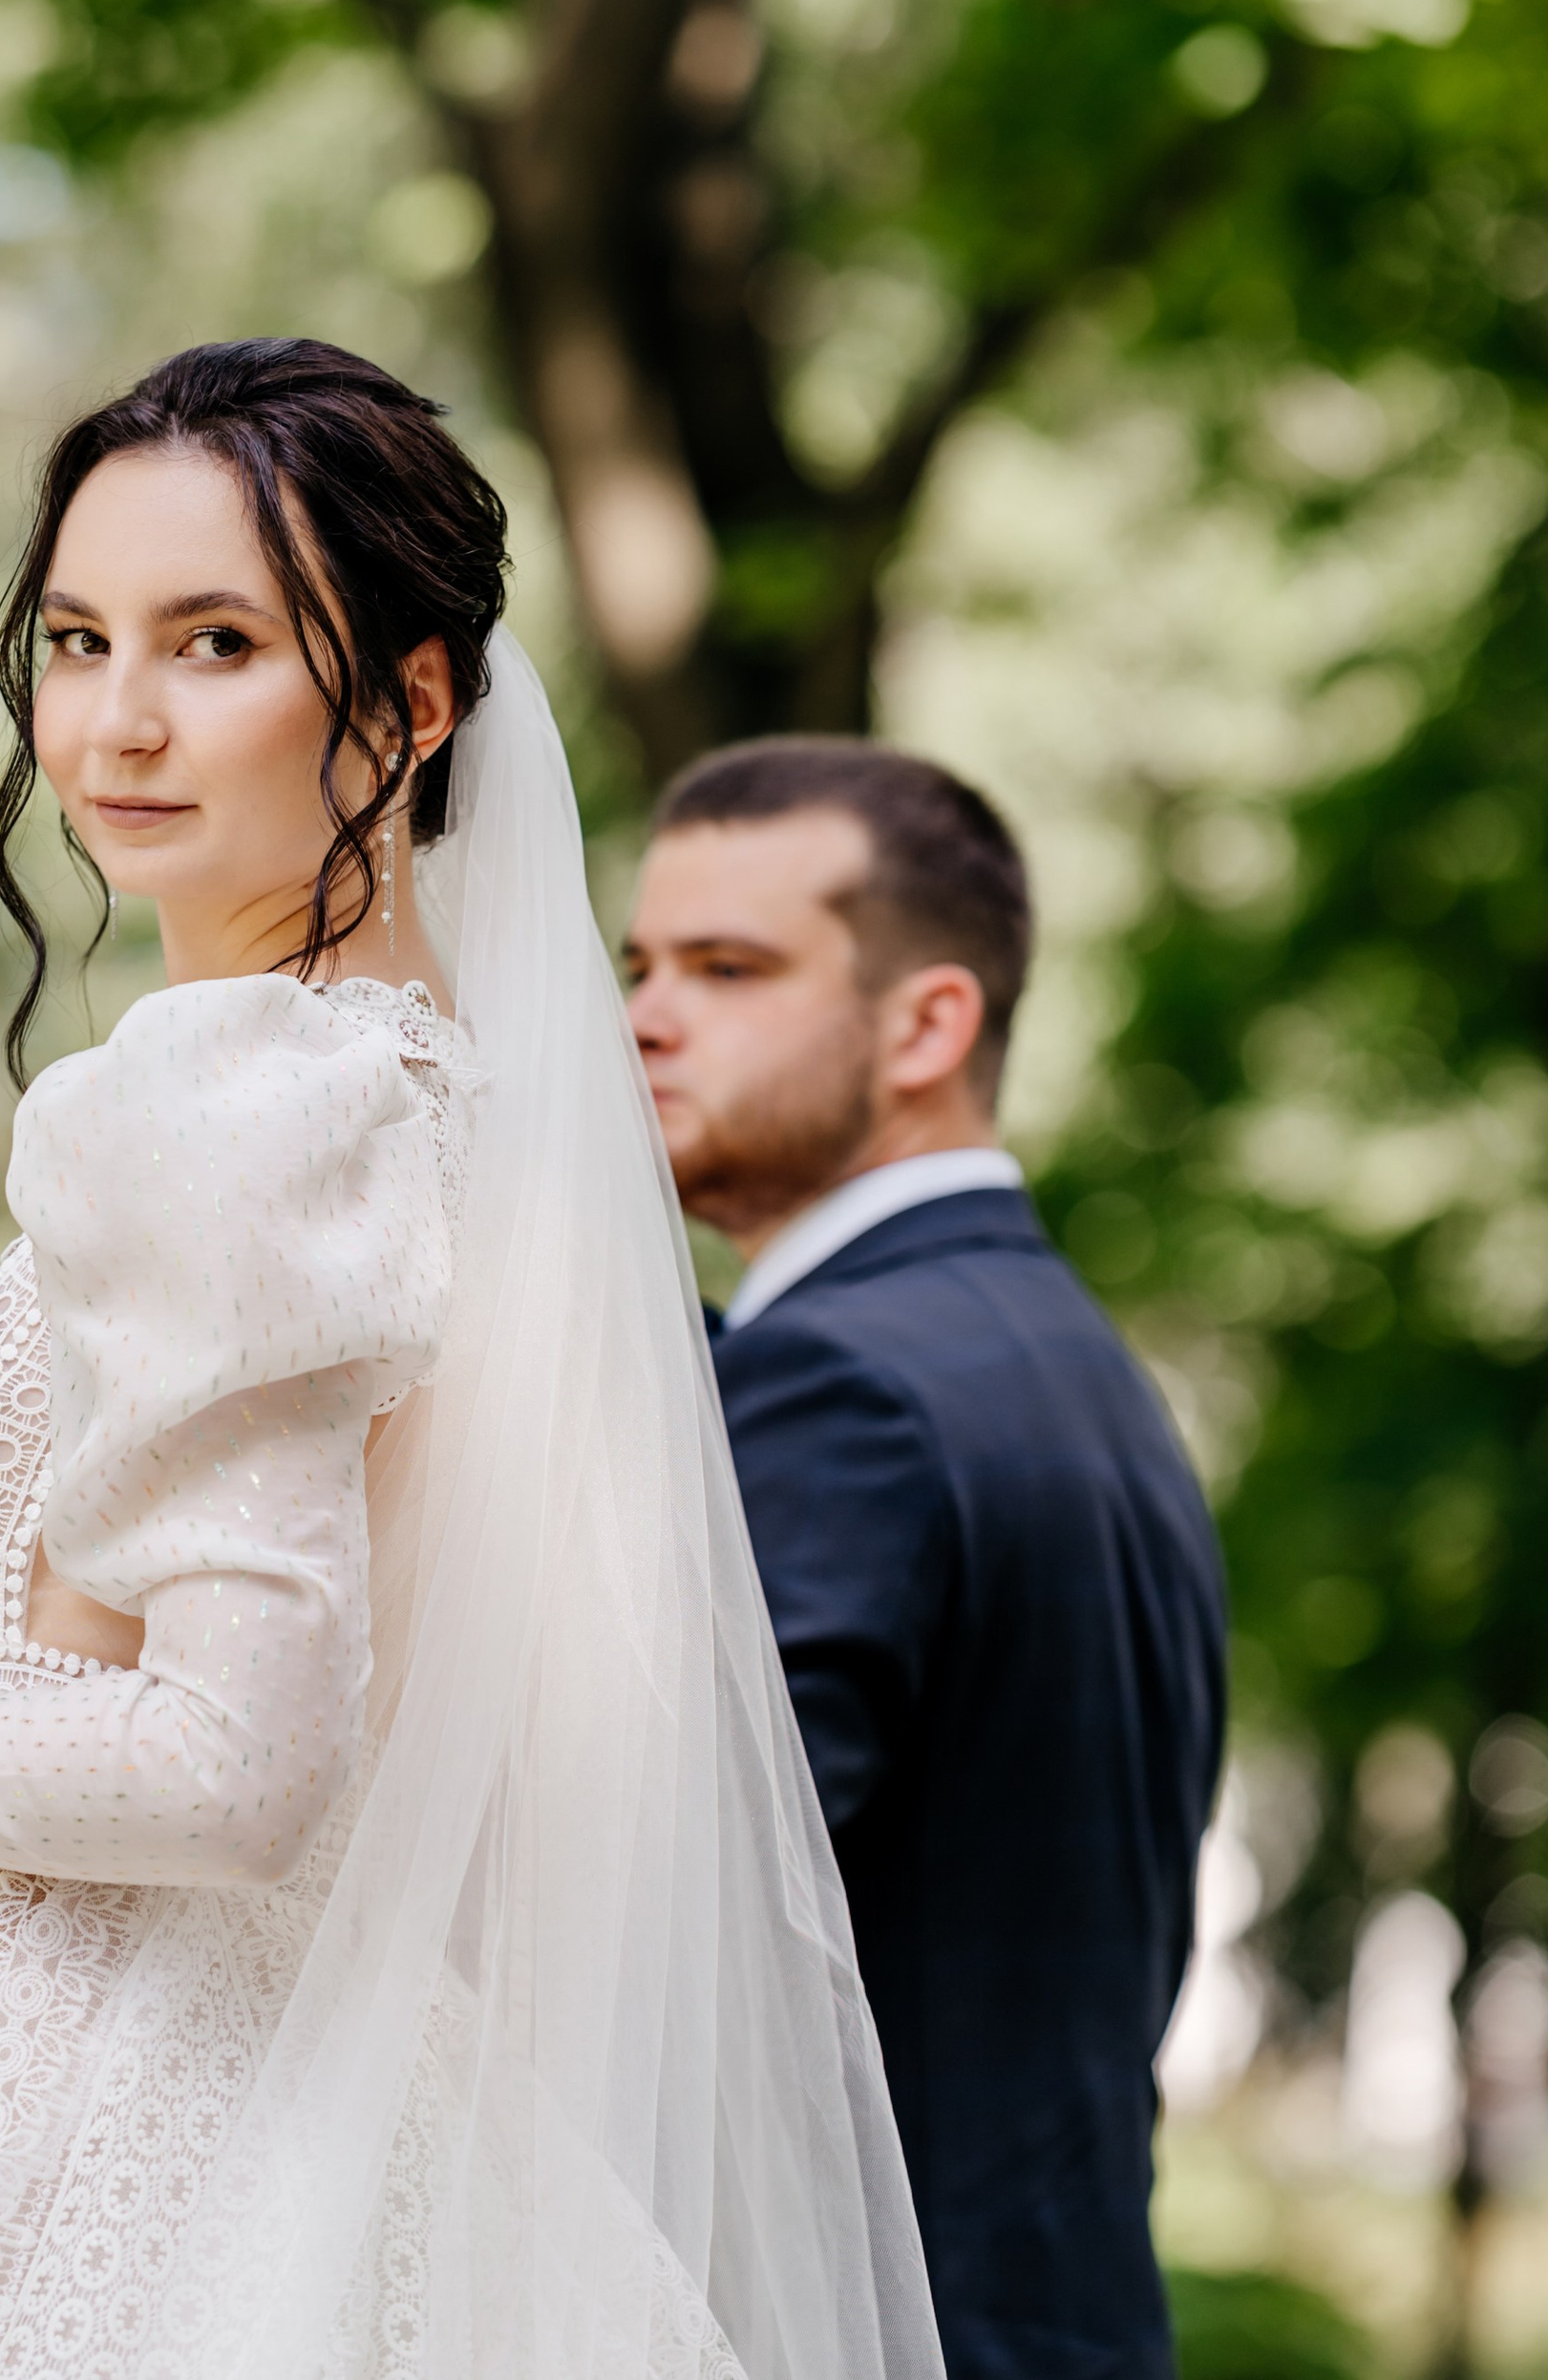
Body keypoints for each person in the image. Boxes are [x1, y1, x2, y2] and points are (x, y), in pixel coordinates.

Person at [0, 343, 941, 2380]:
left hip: (130, 2106)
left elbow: (237, 1760)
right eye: (75, 637)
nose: (114, 718)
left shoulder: (239, 1098)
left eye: (213, 643)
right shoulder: (440, 1087)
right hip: (333, 2086)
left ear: (407, 699)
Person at [624, 742, 1228, 2380]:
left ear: (928, 1024)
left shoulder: (840, 1392)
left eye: (729, 970)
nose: (647, 1018)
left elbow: (667, 1932)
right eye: (640, 966)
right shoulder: (1081, 1372)